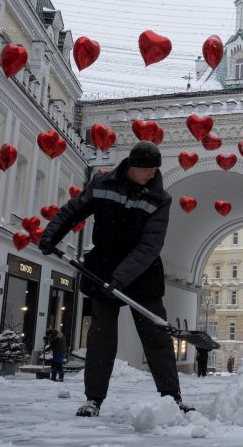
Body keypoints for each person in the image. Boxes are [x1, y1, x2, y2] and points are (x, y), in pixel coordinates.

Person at [39, 141, 192, 418]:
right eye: (147, 169)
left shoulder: (160, 199)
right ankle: (93, 399)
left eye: (155, 169)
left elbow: (149, 246)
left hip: (142, 272)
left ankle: (172, 398)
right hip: (103, 265)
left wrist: (121, 277)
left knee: (156, 336)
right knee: (101, 336)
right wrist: (51, 235)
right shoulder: (102, 184)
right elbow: (73, 210)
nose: (152, 174)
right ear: (132, 166)